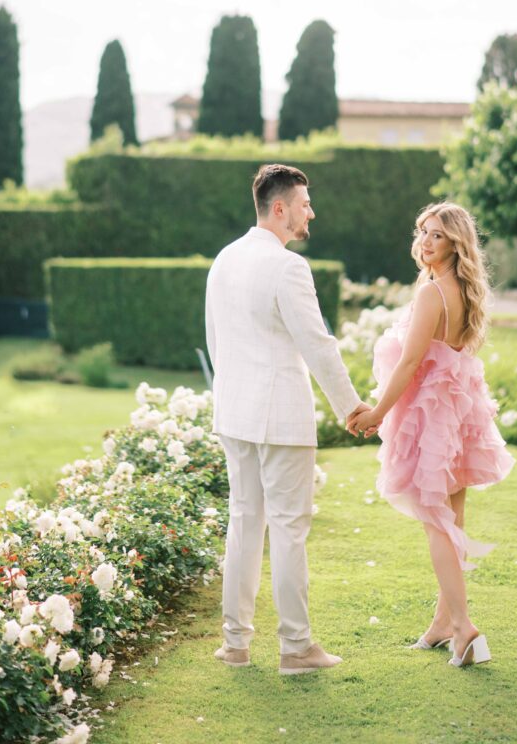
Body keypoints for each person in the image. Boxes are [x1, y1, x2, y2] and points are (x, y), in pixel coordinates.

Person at [206, 163, 371, 674]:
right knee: (289, 529)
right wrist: (352, 408)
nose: (310, 213)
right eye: (304, 204)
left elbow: (216, 341)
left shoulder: (224, 259)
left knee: (243, 523)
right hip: (279, 417)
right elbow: (317, 345)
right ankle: (296, 647)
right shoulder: (288, 267)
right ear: (280, 209)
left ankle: (235, 644)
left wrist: (229, 397)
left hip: (235, 413)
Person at [348, 202, 515, 668]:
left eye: (437, 235)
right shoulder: (462, 290)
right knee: (452, 520)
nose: (425, 241)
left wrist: (377, 412)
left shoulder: (432, 293)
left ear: (455, 244)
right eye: (423, 231)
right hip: (458, 414)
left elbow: (409, 363)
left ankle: (463, 629)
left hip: (434, 419)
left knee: (437, 524)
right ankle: (443, 623)